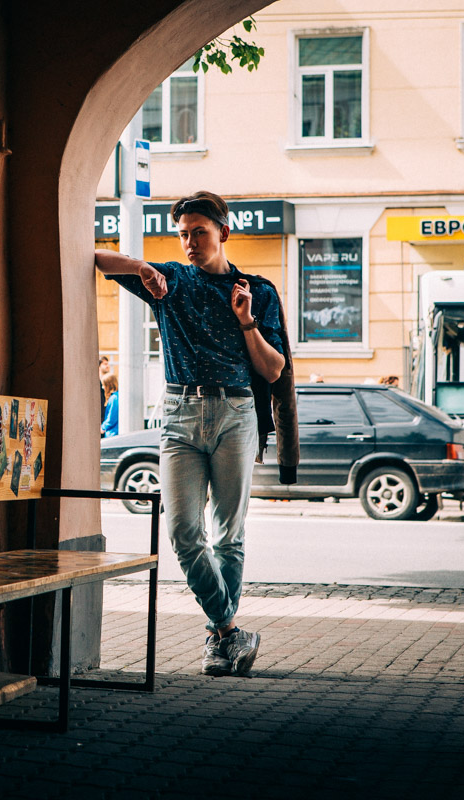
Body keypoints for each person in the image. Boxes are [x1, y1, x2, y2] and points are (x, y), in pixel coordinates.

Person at [95, 191, 298, 678]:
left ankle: (216, 645)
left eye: (199, 232)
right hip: (179, 412)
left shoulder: (258, 290)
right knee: (184, 531)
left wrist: (246, 320)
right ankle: (230, 630)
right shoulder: (171, 281)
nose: (188, 242)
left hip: (235, 411)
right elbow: (95, 258)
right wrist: (140, 268)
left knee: (229, 534)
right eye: (182, 233)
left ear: (223, 233)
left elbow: (273, 371)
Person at [100, 372, 119, 437]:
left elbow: (112, 418)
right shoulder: (116, 396)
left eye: (104, 385)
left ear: (109, 385)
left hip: (112, 433)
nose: (103, 387)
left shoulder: (114, 398)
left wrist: (103, 427)